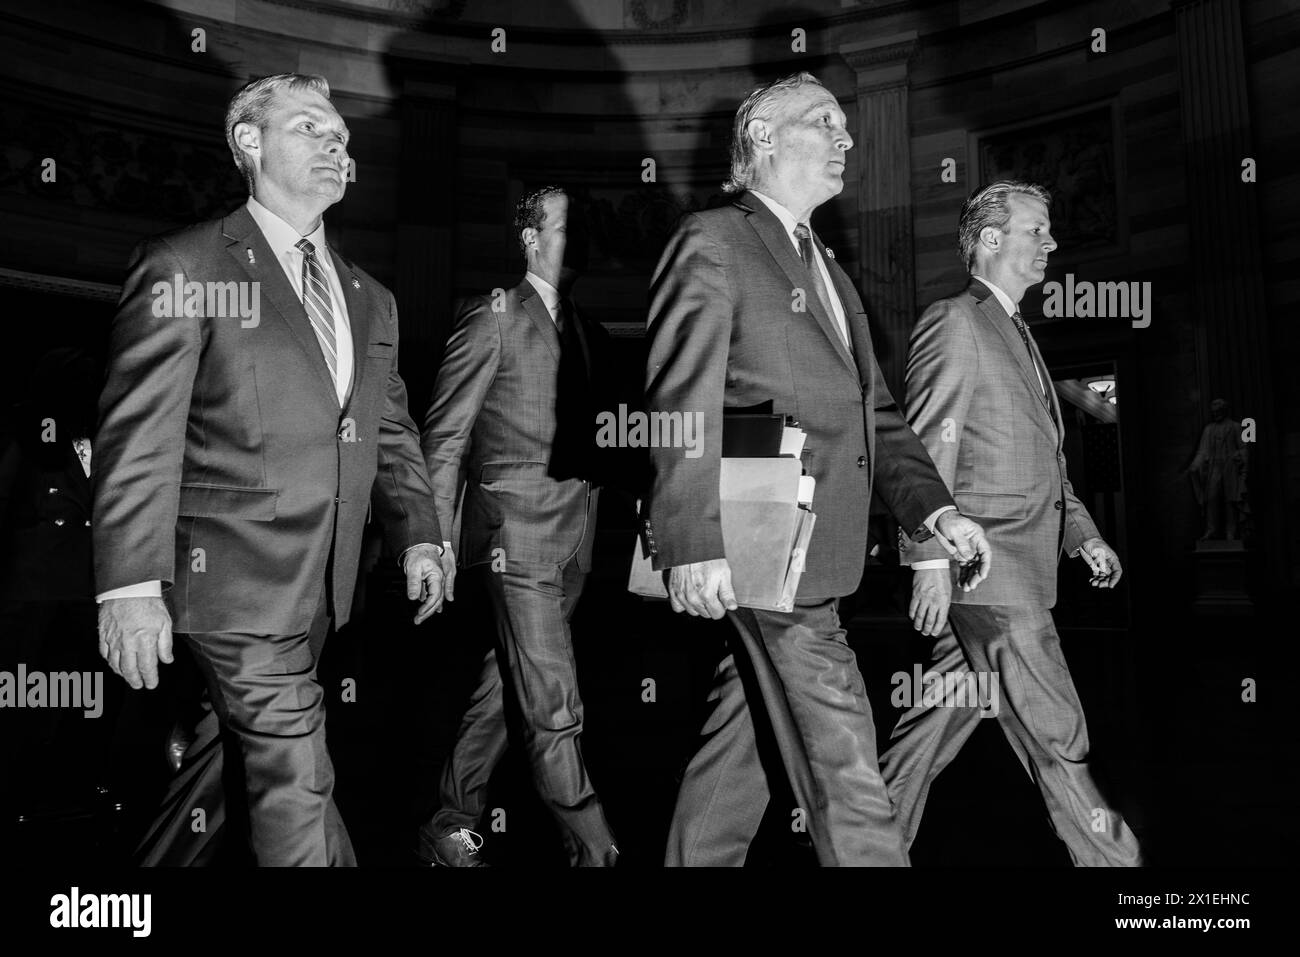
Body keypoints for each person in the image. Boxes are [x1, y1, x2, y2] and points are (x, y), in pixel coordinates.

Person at [93, 73, 448, 866]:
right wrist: (128, 586)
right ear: (248, 143)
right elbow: (138, 437)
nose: (336, 145)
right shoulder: (185, 266)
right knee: (295, 773)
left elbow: (389, 429)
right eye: (312, 128)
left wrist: (421, 533)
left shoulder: (371, 298)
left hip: (325, 589)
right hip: (228, 583)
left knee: (226, 773)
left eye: (343, 138)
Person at [645, 72, 992, 866]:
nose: (847, 139)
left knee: (741, 748)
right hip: (761, 537)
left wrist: (933, 514)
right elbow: (681, 401)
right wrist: (692, 540)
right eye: (825, 123)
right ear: (763, 136)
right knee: (846, 765)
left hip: (811, 553)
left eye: (846, 127)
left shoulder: (827, 269)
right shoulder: (714, 240)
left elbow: (878, 414)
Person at [880, 180, 1142, 866]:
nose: (1051, 242)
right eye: (1038, 230)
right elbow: (926, 445)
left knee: (922, 740)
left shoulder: (1017, 330)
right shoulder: (956, 320)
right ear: (991, 239)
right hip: (992, 579)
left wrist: (1083, 533)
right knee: (1059, 738)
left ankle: (860, 852)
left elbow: (1045, 461)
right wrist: (931, 561)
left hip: (1007, 575)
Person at [416, 187, 618, 867]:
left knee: (508, 688)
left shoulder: (590, 329)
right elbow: (444, 437)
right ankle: (595, 847)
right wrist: (432, 540)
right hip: (515, 535)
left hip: (576, 540)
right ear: (531, 238)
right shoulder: (492, 316)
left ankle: (451, 817)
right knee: (553, 699)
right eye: (566, 226)